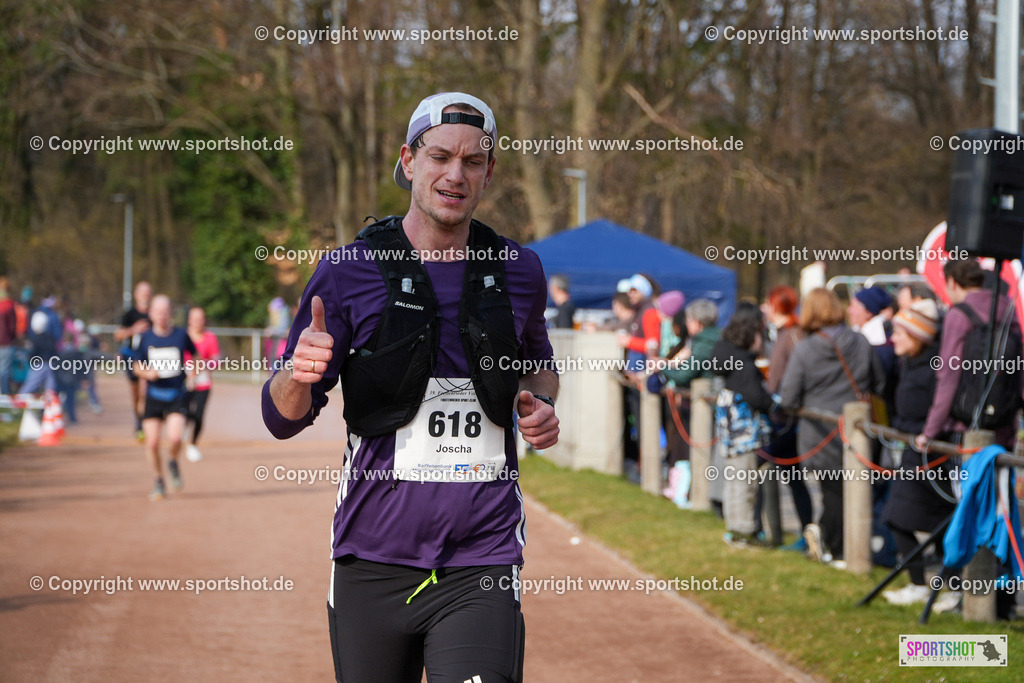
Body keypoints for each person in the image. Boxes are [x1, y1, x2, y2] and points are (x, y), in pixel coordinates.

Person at [262, 92, 558, 683]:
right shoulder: (347, 271)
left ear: (490, 171)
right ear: (408, 160)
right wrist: (299, 372)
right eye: (440, 156)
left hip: (483, 557)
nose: (456, 174)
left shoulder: (519, 269)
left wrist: (542, 403)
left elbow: (539, 364)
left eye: (474, 161)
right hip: (372, 557)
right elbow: (282, 418)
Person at [779, 288, 884, 564]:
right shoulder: (861, 342)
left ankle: (836, 549)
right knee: (851, 492)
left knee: (832, 492)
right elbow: (879, 384)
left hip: (821, 433)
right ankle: (836, 543)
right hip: (858, 431)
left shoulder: (805, 349)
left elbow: (788, 396)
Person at [879, 300, 958, 609]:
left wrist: (921, 432)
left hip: (930, 453)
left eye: (899, 332)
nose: (893, 338)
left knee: (907, 518)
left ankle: (944, 586)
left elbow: (936, 411)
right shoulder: (909, 364)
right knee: (927, 519)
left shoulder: (932, 369)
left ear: (916, 336)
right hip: (915, 449)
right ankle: (931, 585)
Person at [916, 259, 1023, 452]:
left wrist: (930, 431)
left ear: (952, 282)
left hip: (965, 429)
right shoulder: (1007, 308)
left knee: (967, 482)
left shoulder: (959, 314)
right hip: (1004, 427)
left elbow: (948, 375)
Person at [711, 307, 774, 546]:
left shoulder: (728, 357)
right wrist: (774, 404)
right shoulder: (745, 366)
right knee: (745, 484)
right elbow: (758, 398)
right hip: (744, 435)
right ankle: (743, 531)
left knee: (734, 482)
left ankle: (735, 528)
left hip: (731, 434)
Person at [762, 285, 813, 548]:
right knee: (790, 477)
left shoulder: (793, 335)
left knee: (793, 477)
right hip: (782, 415)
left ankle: (807, 533)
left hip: (790, 419)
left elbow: (798, 374)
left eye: (768, 304)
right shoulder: (784, 334)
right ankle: (791, 532)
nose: (765, 309)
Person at [134, 295, 197, 501]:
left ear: (171, 313)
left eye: (165, 311)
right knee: (151, 443)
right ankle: (158, 480)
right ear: (151, 313)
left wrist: (193, 374)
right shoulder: (145, 338)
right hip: (153, 395)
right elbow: (136, 365)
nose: (161, 315)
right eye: (157, 311)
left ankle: (172, 460)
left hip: (176, 395)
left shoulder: (180, 335)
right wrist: (146, 374)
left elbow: (194, 356)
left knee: (176, 438)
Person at [114, 281, 152, 439]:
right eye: (142, 292)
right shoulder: (129, 314)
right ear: (136, 295)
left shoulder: (155, 314)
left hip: (150, 358)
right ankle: (139, 421)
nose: (145, 296)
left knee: (145, 391)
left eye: (147, 293)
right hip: (131, 356)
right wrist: (134, 330)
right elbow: (118, 335)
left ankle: (146, 422)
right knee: (136, 394)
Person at [185, 306, 220, 462]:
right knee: (184, 412)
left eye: (201, 318)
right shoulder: (183, 336)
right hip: (184, 379)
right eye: (195, 318)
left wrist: (205, 365)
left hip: (203, 381)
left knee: (199, 415)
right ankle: (183, 431)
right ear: (189, 320)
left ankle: (192, 444)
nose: (198, 322)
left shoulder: (210, 337)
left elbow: (216, 359)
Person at [0, 277, 17, 395]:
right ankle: (4, 396)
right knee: (4, 371)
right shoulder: (9, 305)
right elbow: (12, 327)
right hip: (5, 342)